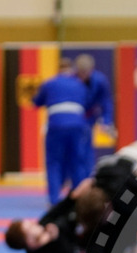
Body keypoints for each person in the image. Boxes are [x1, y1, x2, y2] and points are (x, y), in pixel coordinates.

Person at [32, 58, 91, 206]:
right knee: (77, 162)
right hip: (77, 125)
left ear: (58, 69)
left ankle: (54, 200)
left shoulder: (49, 83)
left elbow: (37, 102)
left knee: (54, 162)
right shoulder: (79, 84)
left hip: (56, 125)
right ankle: (80, 199)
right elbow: (86, 102)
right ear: (71, 69)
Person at [4, 196, 87, 253]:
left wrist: (72, 196)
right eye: (31, 227)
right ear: (30, 241)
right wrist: (55, 237)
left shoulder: (43, 224)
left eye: (31, 223)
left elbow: (61, 206)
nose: (34, 224)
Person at [74, 54, 115, 176]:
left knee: (87, 149)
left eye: (85, 72)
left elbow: (106, 102)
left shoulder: (100, 80)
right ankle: (74, 177)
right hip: (74, 118)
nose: (83, 75)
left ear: (91, 69)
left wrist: (106, 121)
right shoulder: (71, 79)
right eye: (81, 72)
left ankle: (88, 176)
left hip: (89, 117)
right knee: (74, 150)